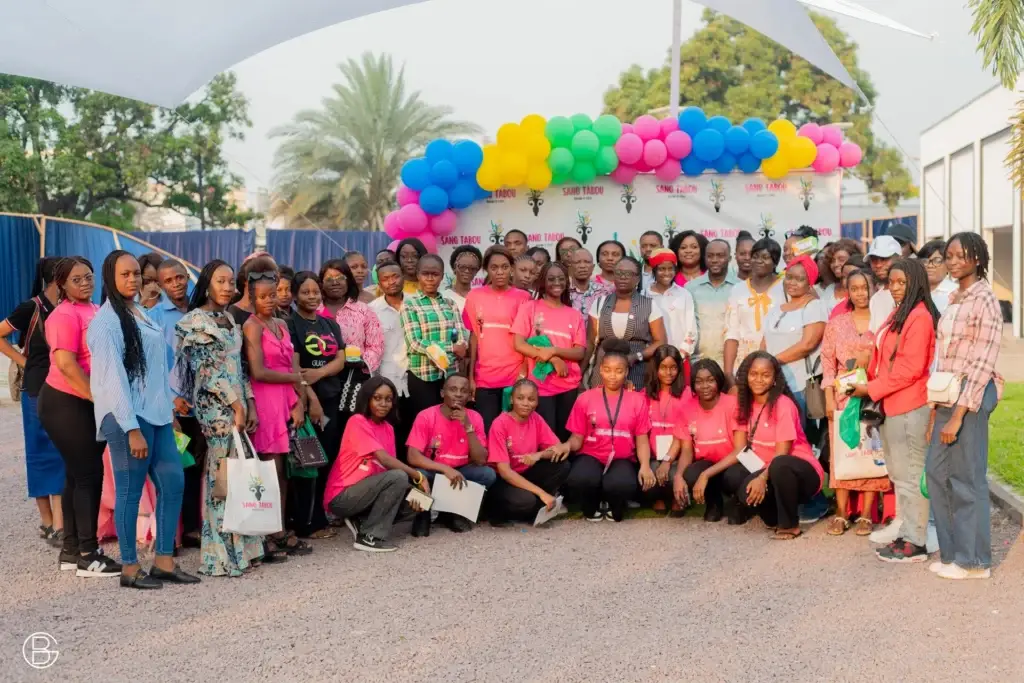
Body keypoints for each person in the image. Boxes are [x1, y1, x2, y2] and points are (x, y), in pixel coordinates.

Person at [88, 251, 198, 589]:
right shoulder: (105, 322)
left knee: (173, 482)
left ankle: (164, 561)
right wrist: (131, 429)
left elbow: (156, 369)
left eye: (137, 274)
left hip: (158, 416)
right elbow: (114, 380)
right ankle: (130, 568)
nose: (133, 280)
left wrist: (170, 408)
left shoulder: (141, 313)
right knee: (130, 491)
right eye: (125, 275)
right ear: (111, 278)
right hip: (126, 419)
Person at [174, 260, 264, 577]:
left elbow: (238, 368)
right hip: (215, 406)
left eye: (231, 282)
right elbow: (208, 373)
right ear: (208, 284)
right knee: (221, 475)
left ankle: (243, 549)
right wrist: (236, 405)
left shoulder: (228, 319)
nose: (228, 288)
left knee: (237, 474)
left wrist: (249, 403)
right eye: (221, 282)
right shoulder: (193, 322)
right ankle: (219, 554)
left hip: (237, 403)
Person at [848, 259, 937, 563]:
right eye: (892, 283)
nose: (896, 288)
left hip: (910, 405)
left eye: (902, 283)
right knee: (901, 474)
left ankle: (917, 542)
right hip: (893, 405)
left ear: (916, 283)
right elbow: (887, 358)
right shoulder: (901, 314)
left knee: (911, 475)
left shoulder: (920, 317)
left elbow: (910, 370)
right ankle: (908, 533)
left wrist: (869, 390)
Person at [926, 233, 1003, 580]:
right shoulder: (956, 297)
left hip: (969, 398)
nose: (953, 261)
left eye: (961, 255)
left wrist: (958, 415)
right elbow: (944, 358)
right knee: (936, 473)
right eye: (949, 256)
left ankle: (974, 563)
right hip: (946, 395)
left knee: (967, 479)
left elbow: (981, 361)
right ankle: (952, 552)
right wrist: (936, 410)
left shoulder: (984, 298)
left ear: (977, 257)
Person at [37, 257, 120, 576]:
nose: (85, 283)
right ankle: (89, 552)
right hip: (66, 402)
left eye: (88, 277)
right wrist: (98, 399)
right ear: (62, 285)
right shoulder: (63, 315)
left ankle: (72, 550)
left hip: (86, 400)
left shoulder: (94, 310)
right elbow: (68, 366)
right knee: (88, 474)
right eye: (76, 279)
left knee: (76, 475)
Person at [242, 270, 311, 558]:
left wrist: (299, 399)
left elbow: (293, 367)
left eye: (273, 294)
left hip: (286, 397)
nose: (269, 300)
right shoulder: (251, 326)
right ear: (251, 298)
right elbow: (258, 371)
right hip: (266, 399)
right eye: (262, 296)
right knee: (270, 470)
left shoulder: (281, 323)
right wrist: (297, 380)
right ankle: (267, 533)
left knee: (285, 472)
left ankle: (279, 529)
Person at [820, 268, 890, 537]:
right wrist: (828, 398)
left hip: (873, 395)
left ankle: (866, 514)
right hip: (842, 396)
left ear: (874, 289)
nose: (861, 293)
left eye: (866, 287)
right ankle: (840, 512)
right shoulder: (837, 324)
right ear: (847, 292)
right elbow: (827, 364)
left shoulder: (883, 324)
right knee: (843, 453)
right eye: (855, 288)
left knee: (870, 451)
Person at [0, 257, 64, 544]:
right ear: (56, 279)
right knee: (40, 454)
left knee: (63, 452)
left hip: (66, 388)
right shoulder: (32, 307)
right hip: (36, 389)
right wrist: (22, 362)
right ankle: (48, 521)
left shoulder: (68, 307)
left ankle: (61, 523)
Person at [323, 377, 428, 553]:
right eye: (377, 398)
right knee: (400, 476)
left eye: (388, 399)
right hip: (342, 496)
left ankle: (363, 520)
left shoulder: (388, 428)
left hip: (368, 492)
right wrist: (418, 476)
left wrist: (416, 490)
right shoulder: (358, 421)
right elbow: (385, 460)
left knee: (419, 500)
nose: (384, 403)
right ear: (367, 398)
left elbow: (390, 471)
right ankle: (369, 537)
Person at [729, 352, 825, 539]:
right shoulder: (743, 405)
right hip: (768, 468)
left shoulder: (784, 405)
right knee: (735, 477)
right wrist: (706, 474)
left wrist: (761, 479)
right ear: (746, 376)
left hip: (799, 471)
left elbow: (782, 454)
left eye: (765, 375)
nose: (758, 379)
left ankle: (790, 526)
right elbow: (740, 451)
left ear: (774, 379)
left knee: (780, 465)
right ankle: (773, 517)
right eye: (753, 374)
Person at [565, 339, 655, 522]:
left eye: (619, 371)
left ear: (627, 372)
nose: (612, 376)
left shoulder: (637, 400)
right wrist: (566, 446)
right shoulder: (585, 398)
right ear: (600, 370)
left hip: (622, 459)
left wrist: (645, 465)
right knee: (580, 478)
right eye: (607, 370)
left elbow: (642, 439)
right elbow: (576, 438)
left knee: (621, 484)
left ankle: (616, 505)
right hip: (591, 455)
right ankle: (592, 505)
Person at [287, 272, 346, 539]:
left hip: (332, 399)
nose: (312, 296)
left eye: (315, 292)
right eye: (305, 292)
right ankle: (304, 523)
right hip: (307, 402)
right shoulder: (290, 324)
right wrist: (311, 398)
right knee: (306, 461)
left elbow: (340, 360)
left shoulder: (328, 324)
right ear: (295, 295)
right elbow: (295, 368)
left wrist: (319, 374)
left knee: (326, 460)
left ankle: (319, 516)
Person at [406, 374, 495, 535]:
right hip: (433, 471)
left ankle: (450, 511)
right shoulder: (426, 416)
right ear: (442, 393)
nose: (459, 394)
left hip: (460, 472)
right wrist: (445, 469)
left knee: (487, 474)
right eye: (453, 389)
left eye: (464, 391)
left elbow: (481, 460)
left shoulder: (475, 418)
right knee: (419, 474)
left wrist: (468, 427)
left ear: (469, 396)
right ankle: (423, 513)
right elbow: (412, 456)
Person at [512, 262, 586, 441]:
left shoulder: (574, 314)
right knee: (545, 438)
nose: (557, 282)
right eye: (551, 279)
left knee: (564, 436)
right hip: (540, 386)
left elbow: (579, 353)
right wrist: (552, 359)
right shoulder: (530, 308)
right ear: (543, 281)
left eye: (561, 279)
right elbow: (519, 344)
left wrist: (553, 351)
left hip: (568, 386)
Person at [671, 358, 747, 522]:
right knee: (690, 474)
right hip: (708, 463)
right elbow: (686, 450)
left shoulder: (733, 404)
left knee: (734, 477)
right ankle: (714, 504)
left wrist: (705, 475)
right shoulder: (687, 408)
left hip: (734, 462)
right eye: (699, 382)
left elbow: (740, 450)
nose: (704, 386)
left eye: (710, 380)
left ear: (719, 380)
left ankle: (738, 503)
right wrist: (678, 476)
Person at [487, 378, 572, 525]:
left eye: (531, 399)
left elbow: (557, 448)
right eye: (520, 398)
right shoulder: (499, 424)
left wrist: (539, 455)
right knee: (526, 502)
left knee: (562, 464)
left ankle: (539, 504)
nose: (526, 403)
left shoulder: (536, 419)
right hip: (504, 479)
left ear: (537, 402)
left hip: (526, 473)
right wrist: (541, 492)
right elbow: (505, 472)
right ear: (512, 399)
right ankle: (497, 511)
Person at [464, 246, 531, 425]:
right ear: (486, 269)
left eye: (504, 267)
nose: (500, 272)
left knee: (514, 432)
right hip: (485, 377)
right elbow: (474, 337)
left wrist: (523, 373)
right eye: (494, 268)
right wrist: (471, 378)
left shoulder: (523, 298)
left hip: (515, 376)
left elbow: (527, 339)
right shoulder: (474, 296)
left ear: (511, 268)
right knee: (487, 430)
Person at [401, 254, 468, 419]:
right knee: (427, 421)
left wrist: (460, 344)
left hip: (449, 374)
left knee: (449, 420)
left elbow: (458, 334)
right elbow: (415, 343)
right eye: (425, 274)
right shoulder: (410, 304)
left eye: (435, 274)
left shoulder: (450, 304)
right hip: (423, 374)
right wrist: (451, 348)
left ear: (442, 276)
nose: (430, 278)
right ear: (417, 275)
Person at [761, 255, 827, 419]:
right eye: (789, 277)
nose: (792, 282)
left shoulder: (814, 306)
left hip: (798, 384)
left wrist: (773, 362)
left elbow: (808, 345)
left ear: (810, 282)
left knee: (797, 432)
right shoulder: (776, 309)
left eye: (799, 279)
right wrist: (762, 365)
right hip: (771, 382)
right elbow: (764, 343)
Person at [588, 256, 668, 390]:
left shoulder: (649, 304)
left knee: (633, 407)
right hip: (604, 370)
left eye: (628, 274)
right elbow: (590, 342)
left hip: (637, 369)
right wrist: (582, 372)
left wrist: (636, 356)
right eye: (619, 273)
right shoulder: (600, 303)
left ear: (637, 278)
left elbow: (661, 341)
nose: (623, 277)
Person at [318, 258, 383, 415]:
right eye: (329, 279)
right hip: (320, 378)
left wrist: (361, 362)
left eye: (340, 278)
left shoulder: (363, 311)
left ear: (348, 281)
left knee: (350, 426)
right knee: (325, 428)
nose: (335, 282)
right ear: (321, 284)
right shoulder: (314, 311)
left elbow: (376, 345)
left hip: (354, 378)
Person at [723, 238, 785, 379]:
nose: (758, 261)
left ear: (775, 262)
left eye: (765, 257)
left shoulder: (785, 288)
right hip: (744, 362)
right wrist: (728, 374)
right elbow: (731, 333)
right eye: (755, 257)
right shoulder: (738, 289)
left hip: (777, 359)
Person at [642, 345, 691, 511]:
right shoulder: (644, 394)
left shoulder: (687, 394)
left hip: (677, 455)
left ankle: (676, 498)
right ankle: (658, 497)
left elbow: (682, 435)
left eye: (673, 368)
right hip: (652, 456)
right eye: (663, 367)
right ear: (655, 368)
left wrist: (667, 461)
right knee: (653, 474)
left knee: (671, 475)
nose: (668, 373)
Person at [686, 239, 738, 367]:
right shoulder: (690, 288)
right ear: (704, 258)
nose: (714, 260)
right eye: (710, 256)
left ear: (729, 258)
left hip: (732, 363)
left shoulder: (741, 288)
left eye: (720, 256)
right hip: (697, 362)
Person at [643, 249, 697, 368]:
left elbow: (691, 328)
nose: (666, 273)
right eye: (662, 269)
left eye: (670, 269)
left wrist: (681, 354)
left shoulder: (684, 294)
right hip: (651, 360)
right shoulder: (644, 294)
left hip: (679, 359)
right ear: (654, 270)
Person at [368, 262, 409, 408]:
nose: (391, 282)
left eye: (395, 276)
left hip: (416, 378)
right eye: (385, 279)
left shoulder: (417, 304)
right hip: (387, 381)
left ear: (403, 277)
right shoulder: (372, 311)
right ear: (379, 283)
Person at [867, 235, 900, 332]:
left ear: (899, 258)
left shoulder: (910, 292)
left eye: (884, 259)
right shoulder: (875, 299)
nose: (878, 265)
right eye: (874, 260)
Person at [569, 247, 613, 317]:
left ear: (593, 267)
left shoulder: (604, 292)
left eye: (587, 262)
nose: (582, 266)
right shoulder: (563, 292)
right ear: (570, 267)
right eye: (577, 262)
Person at [918, 239, 957, 314]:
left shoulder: (955, 293)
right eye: (924, 261)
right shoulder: (913, 292)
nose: (930, 265)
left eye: (937, 261)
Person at [443, 245, 482, 317]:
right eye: (462, 267)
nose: (467, 271)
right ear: (455, 268)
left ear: (476, 271)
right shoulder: (444, 297)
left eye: (472, 268)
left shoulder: (480, 298)